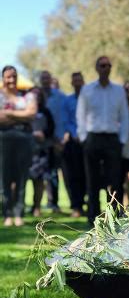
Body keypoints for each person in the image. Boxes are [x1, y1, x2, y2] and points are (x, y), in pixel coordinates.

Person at [76, 56, 129, 225]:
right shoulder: (87, 90)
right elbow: (80, 115)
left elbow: (124, 116)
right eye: (102, 65)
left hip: (112, 140)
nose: (106, 68)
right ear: (97, 67)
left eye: (108, 65)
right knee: (92, 181)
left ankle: (114, 219)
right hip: (93, 139)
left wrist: (122, 140)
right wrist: (84, 138)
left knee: (114, 182)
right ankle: (92, 218)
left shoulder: (119, 90)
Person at [0, 65, 37, 226]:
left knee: (22, 178)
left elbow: (31, 114)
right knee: (5, 178)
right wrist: (21, 116)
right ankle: (7, 214)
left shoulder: (27, 95)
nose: (11, 80)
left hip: (24, 139)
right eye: (8, 77)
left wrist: (8, 113)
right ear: (3, 79)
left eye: (14, 76)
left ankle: (19, 214)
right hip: (4, 139)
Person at [40, 70, 67, 213]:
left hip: (55, 140)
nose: (45, 80)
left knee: (53, 173)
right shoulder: (36, 96)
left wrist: (60, 138)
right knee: (37, 174)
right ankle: (37, 205)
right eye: (42, 78)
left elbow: (62, 118)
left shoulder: (60, 96)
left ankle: (53, 202)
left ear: (50, 80)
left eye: (47, 78)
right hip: (38, 141)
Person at [62, 72, 86, 218]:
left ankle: (87, 204)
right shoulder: (67, 100)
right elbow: (66, 121)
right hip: (73, 141)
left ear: (83, 82)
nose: (77, 83)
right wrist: (75, 133)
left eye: (79, 80)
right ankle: (76, 206)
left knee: (87, 175)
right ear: (72, 83)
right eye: (75, 80)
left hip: (87, 140)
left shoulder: (89, 99)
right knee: (73, 175)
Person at [28, 87, 55, 217]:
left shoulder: (46, 112)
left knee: (39, 180)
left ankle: (37, 207)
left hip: (41, 151)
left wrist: (43, 133)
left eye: (38, 95)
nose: (35, 97)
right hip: (25, 150)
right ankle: (18, 208)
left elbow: (51, 128)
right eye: (33, 95)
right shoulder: (24, 111)